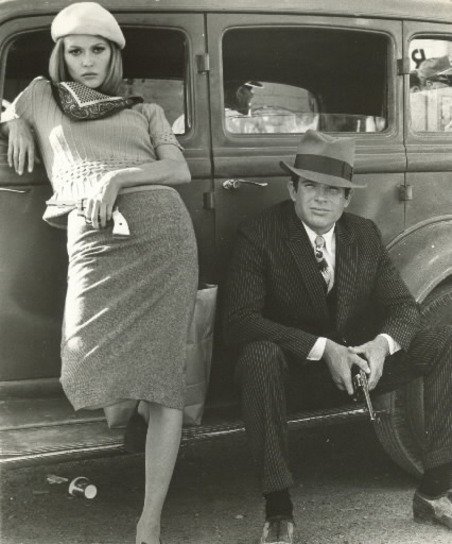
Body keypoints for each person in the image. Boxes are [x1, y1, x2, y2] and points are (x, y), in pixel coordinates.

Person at [0, 3, 198, 544]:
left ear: (113, 56)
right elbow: (10, 107)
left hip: (161, 234)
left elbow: (178, 169)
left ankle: (149, 520)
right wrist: (12, 119)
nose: (86, 61)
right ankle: (131, 414)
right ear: (60, 56)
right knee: (89, 371)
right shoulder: (39, 96)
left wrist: (117, 179)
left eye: (97, 50)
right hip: (93, 236)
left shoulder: (145, 110)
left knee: (163, 385)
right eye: (75, 51)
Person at [223, 130, 452, 544]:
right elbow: (239, 321)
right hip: (291, 375)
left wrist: (381, 346)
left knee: (447, 339)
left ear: (347, 199)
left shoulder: (362, 234)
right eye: (311, 186)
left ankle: (434, 491)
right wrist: (323, 349)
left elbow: (404, 307)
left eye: (333, 190)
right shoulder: (259, 233)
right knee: (258, 356)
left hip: (360, 371)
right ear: (292, 189)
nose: (321, 199)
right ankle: (278, 511)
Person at [171, 79, 263, 134]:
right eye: (250, 91)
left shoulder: (182, 121)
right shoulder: (246, 124)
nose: (252, 95)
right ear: (239, 92)